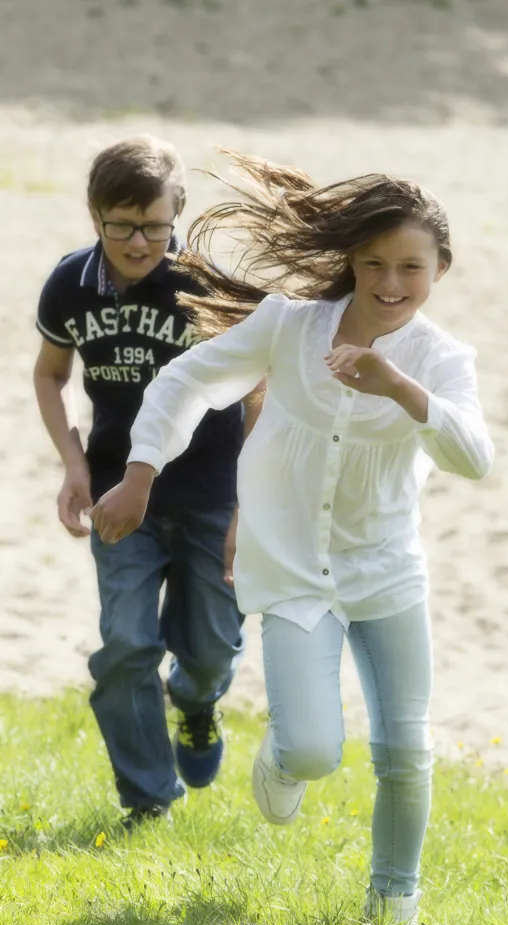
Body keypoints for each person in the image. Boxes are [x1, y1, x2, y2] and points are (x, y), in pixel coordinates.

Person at [90, 150, 494, 925]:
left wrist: (402, 390)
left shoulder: (443, 360)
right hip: (294, 574)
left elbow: (473, 457)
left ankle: (394, 904)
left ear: (441, 268)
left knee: (406, 750)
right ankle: (283, 754)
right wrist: (140, 472)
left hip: (386, 571)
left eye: (411, 267)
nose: (389, 283)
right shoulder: (289, 325)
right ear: (347, 261)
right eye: (373, 262)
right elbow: (187, 382)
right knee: (312, 752)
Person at [33, 136, 260, 830]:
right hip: (117, 497)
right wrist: (74, 463)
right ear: (95, 216)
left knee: (211, 648)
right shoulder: (70, 283)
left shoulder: (208, 288)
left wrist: (248, 504)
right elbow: (50, 373)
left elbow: (258, 395)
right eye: (121, 225)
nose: (138, 241)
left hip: (211, 495)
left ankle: (195, 704)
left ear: (178, 216)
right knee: (127, 646)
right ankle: (148, 799)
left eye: (155, 226)